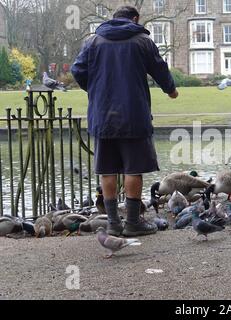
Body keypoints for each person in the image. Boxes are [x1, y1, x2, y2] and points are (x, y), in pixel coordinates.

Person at [71, 6, 178, 237]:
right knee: (134, 167)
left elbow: (77, 70)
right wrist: (170, 90)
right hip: (134, 113)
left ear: (114, 19)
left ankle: (112, 224)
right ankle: (132, 223)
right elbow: (160, 69)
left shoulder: (93, 42)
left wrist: (94, 89)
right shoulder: (142, 41)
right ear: (135, 19)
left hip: (102, 114)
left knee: (107, 169)